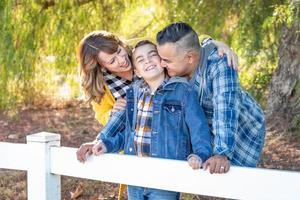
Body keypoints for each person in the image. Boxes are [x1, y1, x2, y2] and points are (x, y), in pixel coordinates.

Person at [76, 30, 238, 198]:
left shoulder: (180, 88)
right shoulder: (108, 88)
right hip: (137, 170)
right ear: (102, 66)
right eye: (112, 61)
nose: (122, 60)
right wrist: (103, 140)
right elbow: (127, 128)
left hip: (166, 170)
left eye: (119, 51)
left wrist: (216, 45)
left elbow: (182, 42)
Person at [91, 40, 212, 200]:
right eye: (140, 60)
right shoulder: (134, 94)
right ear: (137, 72)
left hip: (165, 176)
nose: (147, 60)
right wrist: (107, 144)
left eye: (152, 55)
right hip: (135, 177)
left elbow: (198, 127)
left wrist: (200, 154)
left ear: (163, 61)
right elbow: (130, 134)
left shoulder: (183, 90)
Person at [156, 22, 266, 174]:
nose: (161, 64)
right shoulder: (177, 62)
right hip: (208, 123)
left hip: (242, 127)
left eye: (167, 61)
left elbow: (225, 109)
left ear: (189, 57)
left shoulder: (220, 63)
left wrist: (222, 153)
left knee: (238, 178)